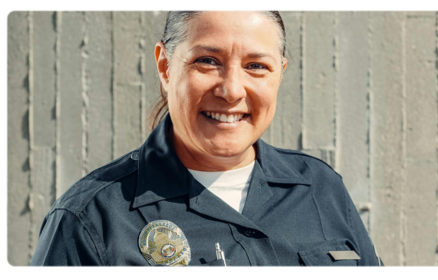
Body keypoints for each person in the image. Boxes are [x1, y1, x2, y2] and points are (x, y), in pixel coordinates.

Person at [30, 8, 384, 269]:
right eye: (207, 61)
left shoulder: (320, 189)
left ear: (280, 74)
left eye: (256, 66)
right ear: (165, 66)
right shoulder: (91, 219)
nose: (231, 90)